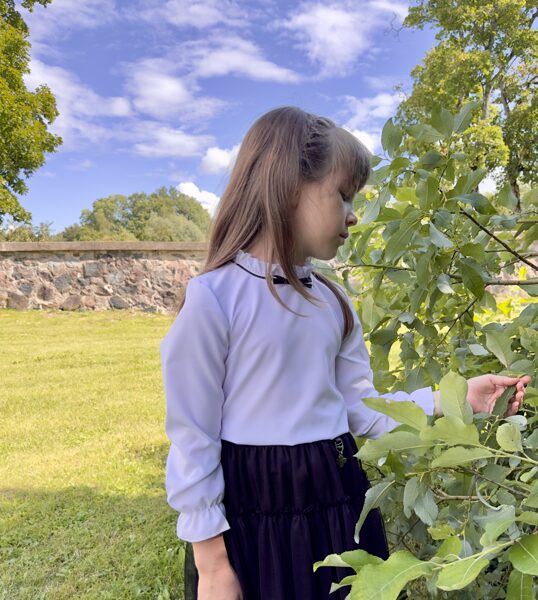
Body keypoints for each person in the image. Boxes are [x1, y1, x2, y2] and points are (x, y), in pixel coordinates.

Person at [159, 106, 531, 600]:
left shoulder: (333, 301)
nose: (354, 214)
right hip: (255, 520)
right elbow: (194, 438)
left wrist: (451, 400)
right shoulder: (215, 299)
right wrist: (212, 566)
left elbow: (361, 409)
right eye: (343, 195)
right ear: (290, 184)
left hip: (337, 498)